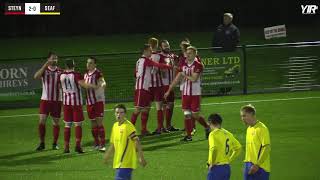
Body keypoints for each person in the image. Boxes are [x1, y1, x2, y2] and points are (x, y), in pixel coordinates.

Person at [164, 46, 210, 141]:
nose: (187, 55)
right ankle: (188, 136)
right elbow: (177, 79)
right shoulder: (183, 64)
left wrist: (183, 74)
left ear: (194, 54)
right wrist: (169, 90)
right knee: (186, 114)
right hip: (185, 94)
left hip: (195, 94)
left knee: (195, 115)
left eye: (190, 53)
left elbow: (194, 79)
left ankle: (207, 126)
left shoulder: (198, 65)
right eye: (187, 53)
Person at [130, 44, 172, 136]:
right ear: (145, 51)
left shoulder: (139, 61)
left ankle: (144, 130)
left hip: (145, 88)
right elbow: (158, 65)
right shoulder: (145, 60)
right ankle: (128, 131)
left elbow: (135, 74)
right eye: (149, 50)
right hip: (141, 89)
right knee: (137, 110)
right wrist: (171, 67)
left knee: (145, 109)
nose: (151, 51)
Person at [59, 59, 99, 153]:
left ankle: (66, 147)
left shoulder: (61, 75)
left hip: (66, 102)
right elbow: (84, 85)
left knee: (67, 125)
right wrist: (95, 86)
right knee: (78, 124)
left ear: (66, 65)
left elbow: (61, 87)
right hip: (76, 103)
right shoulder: (76, 74)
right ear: (73, 64)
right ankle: (77, 145)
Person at [104, 104, 147, 180]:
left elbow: (136, 140)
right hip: (118, 162)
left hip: (125, 162)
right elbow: (113, 144)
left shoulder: (128, 126)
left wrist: (141, 157)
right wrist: (108, 155)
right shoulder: (115, 126)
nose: (119, 115)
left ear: (125, 114)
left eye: (121, 113)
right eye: (117, 112)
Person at [34, 52, 62, 151]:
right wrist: (45, 65)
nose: (54, 60)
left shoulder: (60, 71)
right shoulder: (44, 70)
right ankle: (42, 143)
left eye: (56, 59)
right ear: (48, 59)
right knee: (41, 121)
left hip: (57, 101)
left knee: (56, 123)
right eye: (52, 58)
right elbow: (36, 76)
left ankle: (55, 143)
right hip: (45, 100)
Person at [207, 113, 242, 180]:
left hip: (216, 168)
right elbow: (239, 148)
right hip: (226, 168)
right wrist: (229, 159)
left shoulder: (213, 134)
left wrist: (212, 163)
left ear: (210, 122)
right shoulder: (228, 134)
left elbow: (214, 149)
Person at [240, 104, 271, 180]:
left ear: (252, 115)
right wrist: (246, 165)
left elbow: (266, 148)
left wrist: (257, 165)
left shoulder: (262, 128)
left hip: (260, 168)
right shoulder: (249, 129)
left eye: (244, 116)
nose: (242, 118)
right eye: (241, 116)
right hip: (249, 165)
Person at [84, 57, 107, 152]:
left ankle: (102, 144)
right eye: (88, 63)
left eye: (91, 63)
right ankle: (96, 143)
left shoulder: (98, 73)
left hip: (98, 101)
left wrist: (103, 85)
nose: (88, 64)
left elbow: (103, 81)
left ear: (95, 64)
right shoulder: (85, 74)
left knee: (99, 122)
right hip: (89, 102)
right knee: (93, 123)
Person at [159, 40, 179, 132]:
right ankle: (162, 127)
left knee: (171, 105)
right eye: (164, 46)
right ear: (161, 47)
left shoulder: (172, 56)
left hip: (171, 84)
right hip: (164, 85)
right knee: (164, 106)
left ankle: (168, 126)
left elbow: (180, 59)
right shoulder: (160, 56)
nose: (167, 47)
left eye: (168, 45)